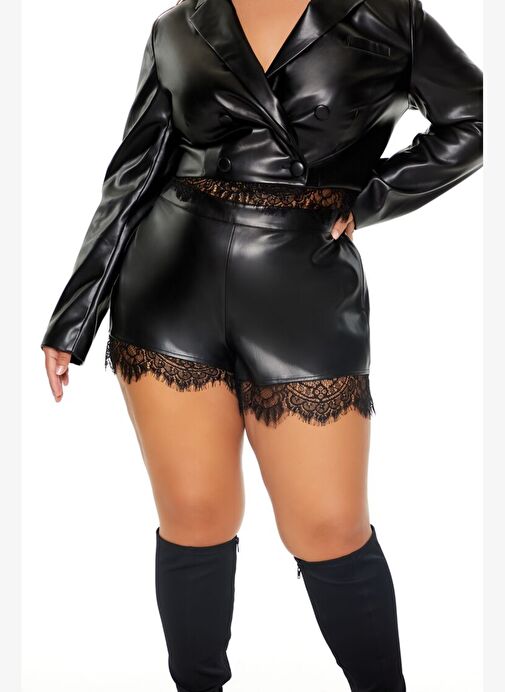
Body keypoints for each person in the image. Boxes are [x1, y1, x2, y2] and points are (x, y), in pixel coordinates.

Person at [40, 0, 483, 689]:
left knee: (330, 529)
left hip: (301, 288)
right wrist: (74, 317)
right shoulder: (179, 25)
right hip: (170, 284)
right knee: (194, 517)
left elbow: (475, 119)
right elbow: (134, 172)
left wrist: (370, 198)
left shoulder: (387, 14)